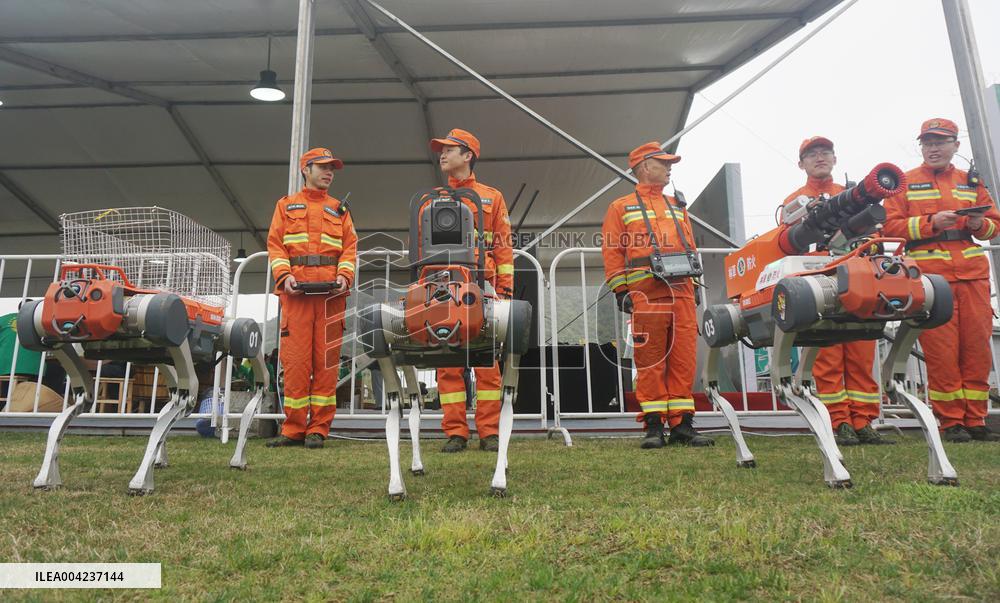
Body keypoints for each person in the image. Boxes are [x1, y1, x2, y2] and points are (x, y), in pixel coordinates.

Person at [883, 118, 1000, 443]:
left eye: (940, 142)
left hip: (974, 275)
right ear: (921, 146)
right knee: (942, 350)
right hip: (931, 280)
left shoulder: (971, 181)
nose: (933, 148)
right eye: (928, 142)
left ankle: (976, 420)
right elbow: (889, 227)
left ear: (955, 146)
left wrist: (978, 225)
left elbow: (995, 225)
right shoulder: (904, 182)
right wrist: (930, 222)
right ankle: (950, 422)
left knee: (977, 348)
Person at [601, 141, 712, 449]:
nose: (669, 167)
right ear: (644, 166)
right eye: (663, 162)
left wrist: (695, 288)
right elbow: (612, 250)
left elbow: (690, 248)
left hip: (683, 293)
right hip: (646, 294)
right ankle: (653, 426)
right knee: (650, 361)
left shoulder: (677, 205)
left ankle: (682, 425)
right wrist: (619, 289)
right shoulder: (620, 207)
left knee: (683, 360)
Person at [782, 137, 891, 446]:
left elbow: (875, 233)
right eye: (812, 154)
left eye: (825, 152)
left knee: (860, 350)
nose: (820, 157)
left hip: (858, 276)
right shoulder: (793, 201)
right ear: (801, 163)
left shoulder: (854, 196)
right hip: (820, 278)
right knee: (827, 352)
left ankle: (864, 420)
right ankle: (838, 421)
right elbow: (786, 242)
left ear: (835, 158)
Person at [427, 128, 514, 453]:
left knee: (486, 362)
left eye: (450, 149)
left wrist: (504, 289)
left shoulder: (492, 196)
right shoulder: (432, 198)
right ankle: (455, 432)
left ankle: (489, 431)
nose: (443, 154)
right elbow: (422, 248)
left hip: (483, 287)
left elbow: (504, 247)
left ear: (468, 155)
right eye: (442, 150)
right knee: (448, 362)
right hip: (442, 289)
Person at [265, 148, 358, 449]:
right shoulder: (286, 205)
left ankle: (318, 428)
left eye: (332, 168)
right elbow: (275, 245)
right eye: (322, 167)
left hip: (331, 298)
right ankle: (293, 428)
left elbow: (350, 249)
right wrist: (284, 276)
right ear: (306, 169)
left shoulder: (340, 210)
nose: (329, 172)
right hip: (296, 299)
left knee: (327, 365)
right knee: (295, 364)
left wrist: (344, 277)